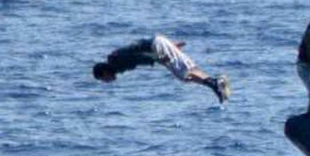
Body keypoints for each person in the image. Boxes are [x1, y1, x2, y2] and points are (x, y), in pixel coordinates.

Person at [92, 35, 230, 103]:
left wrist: (159, 57)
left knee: (184, 73)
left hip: (157, 48)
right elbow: (137, 47)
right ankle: (215, 83)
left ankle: (215, 83)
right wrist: (169, 47)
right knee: (186, 74)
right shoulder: (116, 64)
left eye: (103, 79)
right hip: (158, 46)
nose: (106, 82)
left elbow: (138, 56)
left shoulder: (116, 61)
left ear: (104, 72)